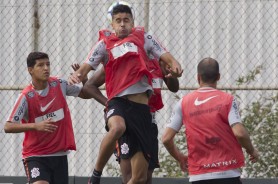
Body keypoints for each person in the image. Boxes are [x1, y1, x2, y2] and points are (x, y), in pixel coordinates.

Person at [68, 2, 183, 184]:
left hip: (143, 112)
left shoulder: (145, 40)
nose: (122, 24)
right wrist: (78, 75)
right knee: (118, 128)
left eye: (126, 20)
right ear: (112, 24)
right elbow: (86, 69)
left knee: (141, 178)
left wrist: (175, 65)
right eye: (118, 21)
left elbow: (168, 57)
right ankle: (96, 175)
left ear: (132, 22)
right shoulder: (104, 45)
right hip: (119, 103)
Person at [162, 57, 259, 184]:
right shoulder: (228, 100)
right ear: (218, 77)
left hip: (199, 176)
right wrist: (251, 150)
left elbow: (166, 139)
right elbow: (240, 133)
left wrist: (180, 157)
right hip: (227, 174)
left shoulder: (183, 103)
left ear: (198, 77)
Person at [82, 58, 179, 184]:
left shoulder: (158, 61)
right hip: (129, 119)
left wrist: (170, 73)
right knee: (129, 177)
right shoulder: (122, 58)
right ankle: (96, 174)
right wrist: (110, 104)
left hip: (148, 122)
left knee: (145, 179)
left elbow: (174, 88)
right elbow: (89, 86)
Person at [4, 52, 90, 184]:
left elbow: (86, 94)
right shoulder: (26, 96)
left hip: (59, 155)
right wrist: (35, 126)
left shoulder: (59, 84)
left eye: (48, 64)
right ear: (30, 70)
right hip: (36, 155)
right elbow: (8, 126)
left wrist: (83, 77)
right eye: (41, 65)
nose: (46, 68)